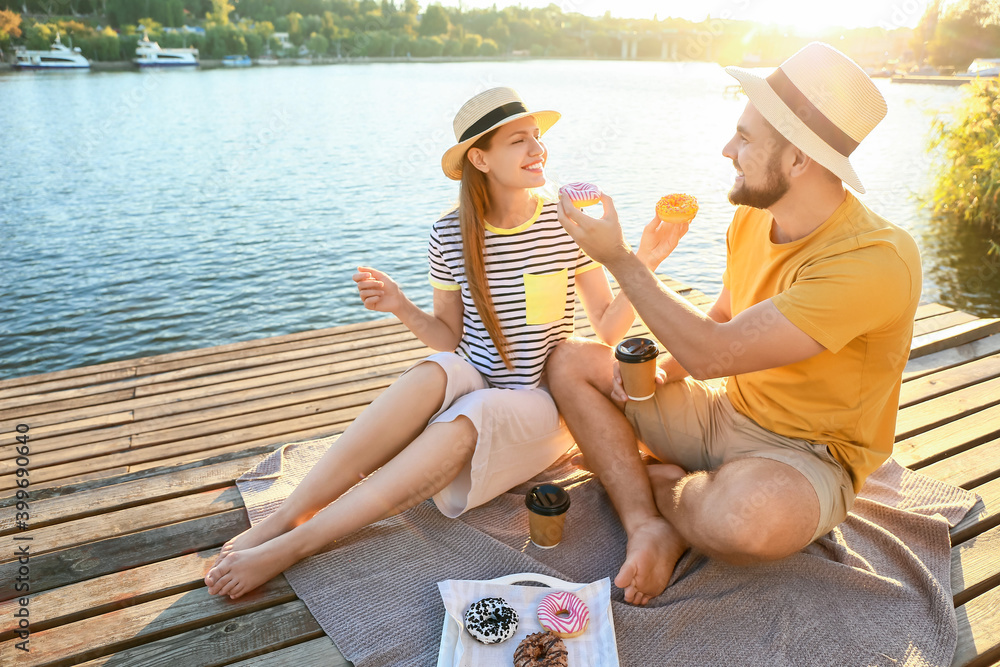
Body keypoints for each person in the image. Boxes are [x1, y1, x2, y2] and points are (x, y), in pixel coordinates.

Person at [204, 86, 683, 599]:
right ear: (480, 158)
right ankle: (285, 518)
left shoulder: (566, 223)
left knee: (470, 411)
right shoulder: (449, 233)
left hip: (542, 400)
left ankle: (293, 546)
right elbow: (448, 336)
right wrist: (400, 305)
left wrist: (645, 261)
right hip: (476, 374)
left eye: (537, 138)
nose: (537, 150)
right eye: (519, 141)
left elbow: (607, 330)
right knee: (433, 370)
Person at [548, 42, 922, 606]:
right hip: (724, 413)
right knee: (572, 360)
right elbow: (723, 315)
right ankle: (647, 522)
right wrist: (665, 373)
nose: (727, 150)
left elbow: (712, 350)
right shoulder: (752, 216)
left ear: (798, 159)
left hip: (805, 457)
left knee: (746, 523)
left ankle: (659, 485)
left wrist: (622, 259)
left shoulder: (875, 260)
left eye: (745, 138)